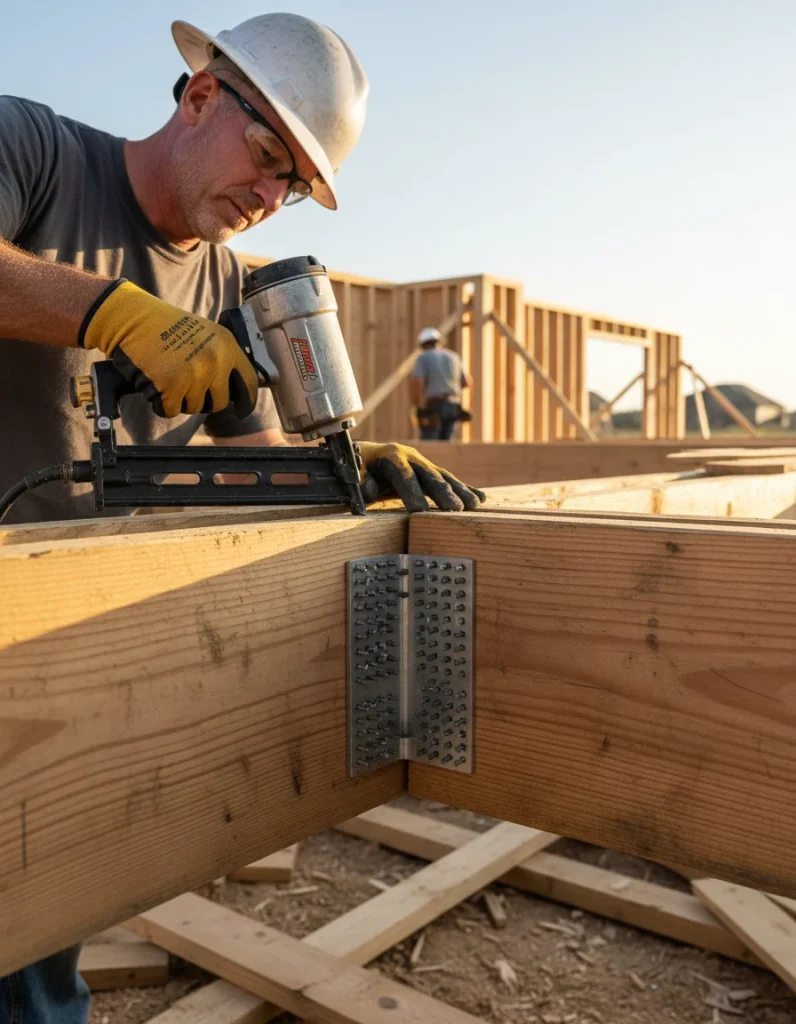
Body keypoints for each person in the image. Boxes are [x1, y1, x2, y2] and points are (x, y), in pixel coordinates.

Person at [0, 12, 485, 1022]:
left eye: (293, 187)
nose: (269, 200)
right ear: (200, 97)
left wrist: (341, 477)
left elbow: (249, 465)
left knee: (34, 928)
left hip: (63, 642)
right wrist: (113, 312)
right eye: (267, 158)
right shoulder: (34, 149)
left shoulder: (231, 292)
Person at [411, 326, 471, 440]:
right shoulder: (454, 357)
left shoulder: (423, 358)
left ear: (423, 344)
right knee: (448, 445)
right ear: (439, 342)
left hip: (434, 406)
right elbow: (466, 382)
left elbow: (418, 382)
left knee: (430, 446)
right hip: (453, 405)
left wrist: (418, 405)